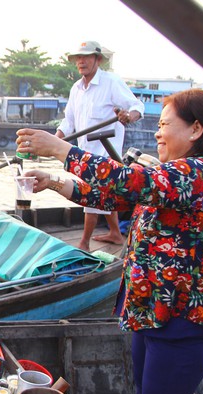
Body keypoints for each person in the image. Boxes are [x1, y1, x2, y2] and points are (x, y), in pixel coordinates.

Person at [16, 89, 203, 394]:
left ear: (196, 129)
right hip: (152, 310)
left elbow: (126, 178)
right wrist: (54, 182)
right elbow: (114, 194)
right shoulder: (173, 177)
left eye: (165, 124)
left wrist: (60, 149)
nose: (157, 134)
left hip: (186, 318)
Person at [57, 40, 145, 251]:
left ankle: (84, 243)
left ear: (97, 59)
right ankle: (115, 233)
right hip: (85, 151)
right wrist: (54, 141)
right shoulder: (76, 88)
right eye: (78, 58)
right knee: (107, 193)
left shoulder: (111, 82)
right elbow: (68, 122)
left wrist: (127, 117)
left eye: (86, 57)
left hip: (106, 152)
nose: (81, 61)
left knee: (93, 195)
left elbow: (136, 107)